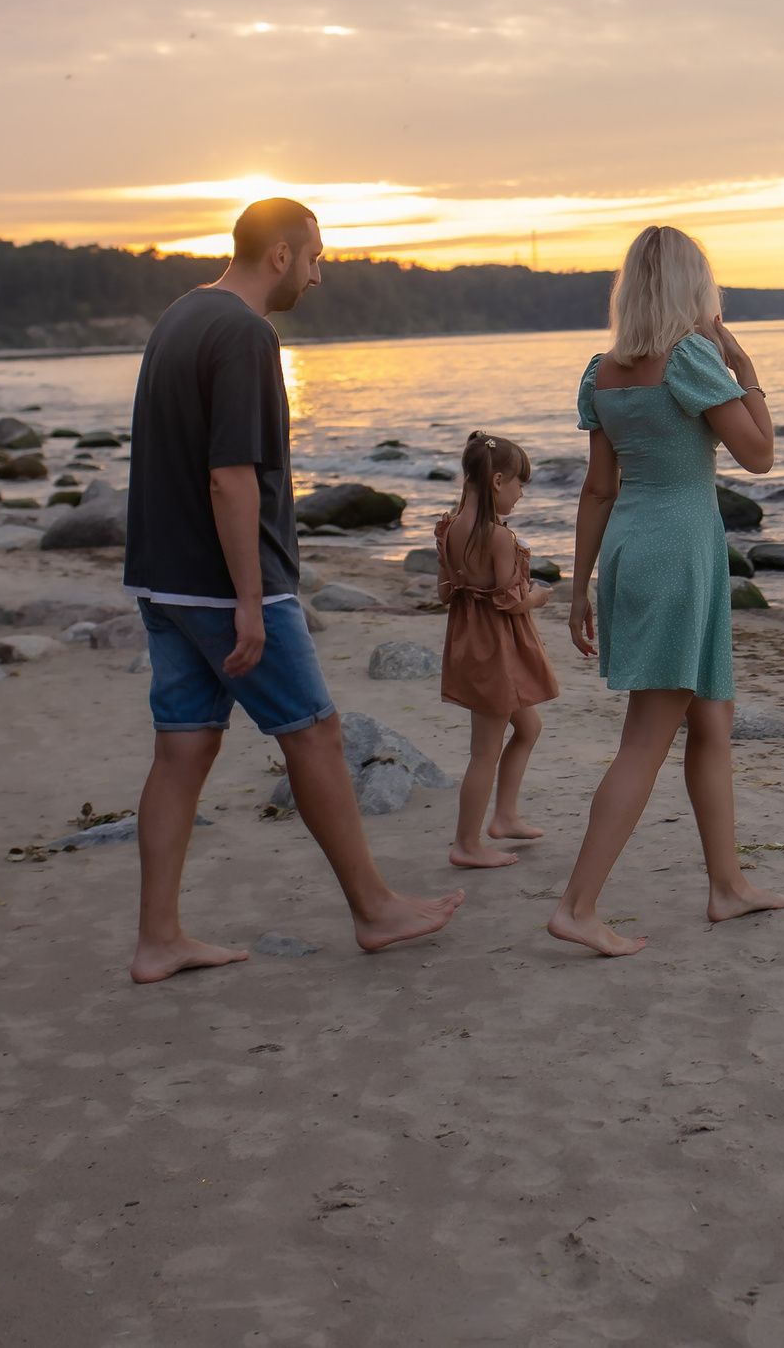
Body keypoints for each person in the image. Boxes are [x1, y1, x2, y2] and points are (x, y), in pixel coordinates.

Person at [120, 196, 464, 983]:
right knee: (313, 732)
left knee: (184, 746)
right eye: (314, 257)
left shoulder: (180, 316)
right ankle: (375, 909)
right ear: (279, 254)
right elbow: (230, 477)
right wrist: (251, 595)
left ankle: (158, 938)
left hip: (163, 577)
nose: (317, 275)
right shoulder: (244, 334)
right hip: (223, 582)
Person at [554, 226, 784, 956]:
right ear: (693, 289)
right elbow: (759, 454)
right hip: (679, 557)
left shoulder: (602, 371)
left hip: (635, 549)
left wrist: (579, 588)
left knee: (714, 721)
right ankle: (576, 905)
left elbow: (599, 490)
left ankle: (726, 885)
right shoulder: (693, 358)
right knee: (645, 740)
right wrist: (746, 367)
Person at [435, 430, 559, 869]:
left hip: (471, 643)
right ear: (498, 481)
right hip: (496, 651)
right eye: (520, 485)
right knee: (484, 751)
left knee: (528, 728)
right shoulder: (496, 536)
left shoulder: (449, 527)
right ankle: (466, 844)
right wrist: (539, 597)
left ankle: (504, 816)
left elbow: (446, 590)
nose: (522, 495)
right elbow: (510, 601)